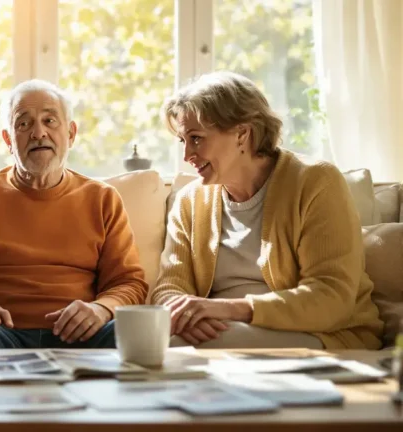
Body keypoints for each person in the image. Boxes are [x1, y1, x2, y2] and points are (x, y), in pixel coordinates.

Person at [150, 71, 383, 349]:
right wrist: (186, 317)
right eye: (182, 141)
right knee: (159, 340)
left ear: (242, 134)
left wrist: (230, 310)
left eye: (196, 138)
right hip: (224, 329)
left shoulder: (316, 182)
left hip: (325, 334)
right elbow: (169, 288)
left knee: (178, 348)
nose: (187, 155)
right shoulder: (190, 200)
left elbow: (331, 297)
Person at [0, 79, 149, 349]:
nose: (38, 133)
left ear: (71, 133)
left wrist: (101, 309)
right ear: (8, 140)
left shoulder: (103, 198)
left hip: (83, 336)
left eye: (49, 121)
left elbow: (128, 283)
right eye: (23, 124)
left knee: (133, 331)